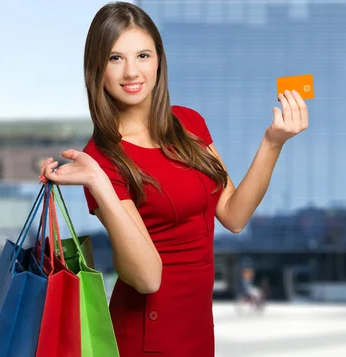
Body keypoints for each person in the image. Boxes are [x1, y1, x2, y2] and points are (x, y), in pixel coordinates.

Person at [39, 2, 308, 356]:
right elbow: (147, 277)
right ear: (97, 69)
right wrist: (100, 184)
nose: (132, 71)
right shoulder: (101, 159)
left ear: (159, 60)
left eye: (143, 55)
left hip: (197, 329)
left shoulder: (189, 123)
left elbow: (234, 215)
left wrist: (273, 142)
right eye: (115, 58)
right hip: (147, 337)